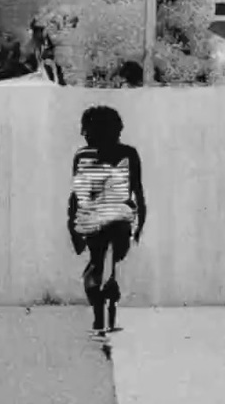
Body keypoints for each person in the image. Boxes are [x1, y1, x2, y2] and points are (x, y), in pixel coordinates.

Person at [67, 105, 146, 338]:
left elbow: (77, 195)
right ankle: (111, 285)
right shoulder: (129, 154)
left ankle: (98, 312)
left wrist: (72, 224)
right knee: (115, 262)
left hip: (91, 219)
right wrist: (140, 223)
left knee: (94, 263)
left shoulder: (81, 156)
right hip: (120, 217)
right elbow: (137, 191)